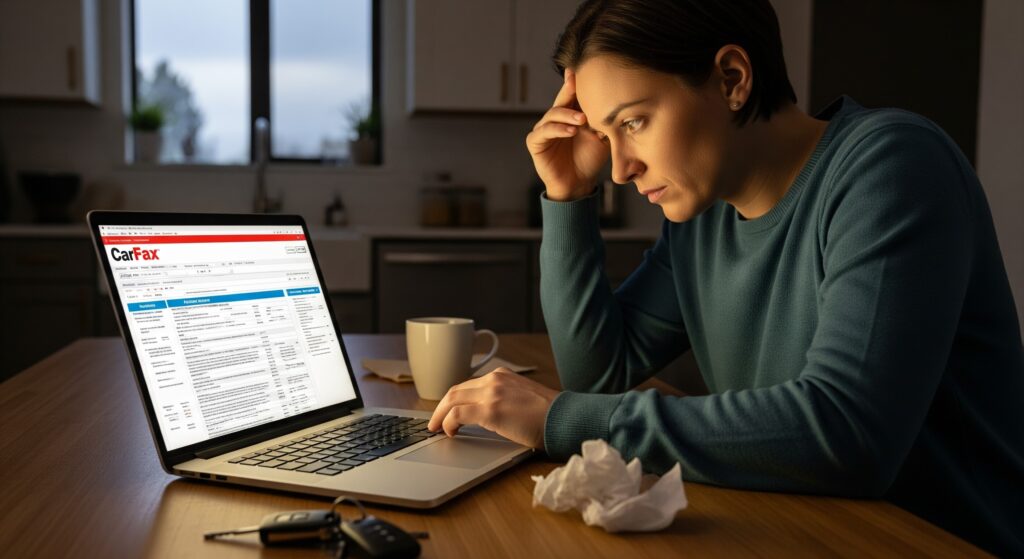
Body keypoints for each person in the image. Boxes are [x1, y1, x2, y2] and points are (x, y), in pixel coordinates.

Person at [427, 0, 1024, 554]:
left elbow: (848, 435)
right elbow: (599, 374)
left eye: (633, 123)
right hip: (801, 533)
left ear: (732, 78)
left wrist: (560, 419)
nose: (619, 166)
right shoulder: (702, 218)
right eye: (604, 135)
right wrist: (567, 195)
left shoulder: (891, 167)